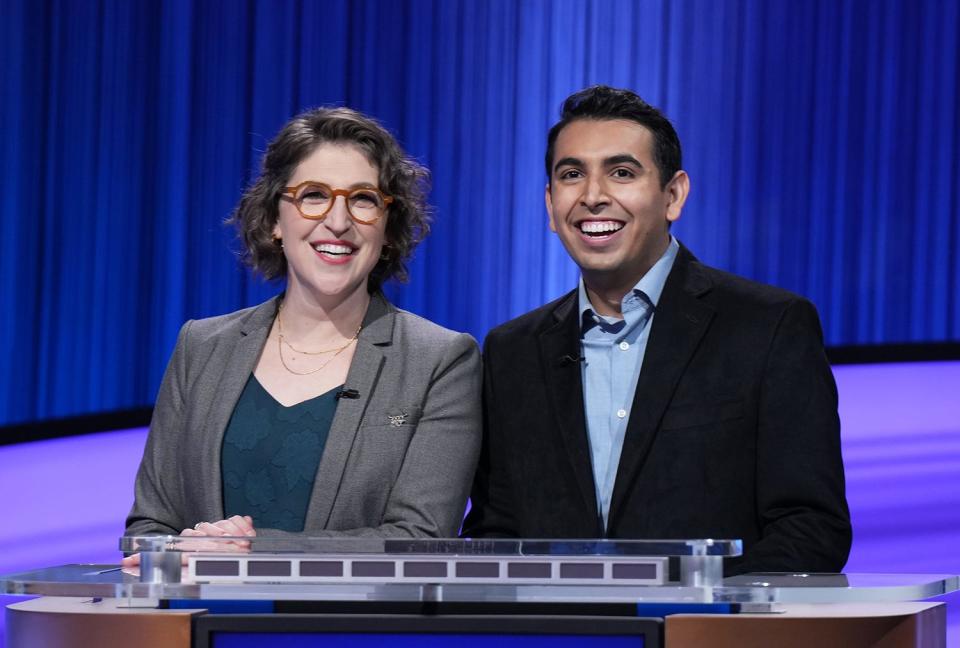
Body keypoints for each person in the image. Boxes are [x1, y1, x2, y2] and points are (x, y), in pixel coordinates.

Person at [462, 86, 851, 574]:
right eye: (571, 175)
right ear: (549, 204)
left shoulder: (768, 326)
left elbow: (811, 530)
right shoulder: (512, 350)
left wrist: (671, 596)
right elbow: (497, 533)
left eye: (622, 173)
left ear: (673, 195)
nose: (593, 196)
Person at [125, 107, 481, 547]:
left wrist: (254, 551)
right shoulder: (201, 346)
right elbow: (150, 527)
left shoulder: (440, 361)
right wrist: (171, 556)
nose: (338, 221)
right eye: (314, 195)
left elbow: (419, 540)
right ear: (275, 219)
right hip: (204, 615)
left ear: (389, 228)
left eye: (363, 199)